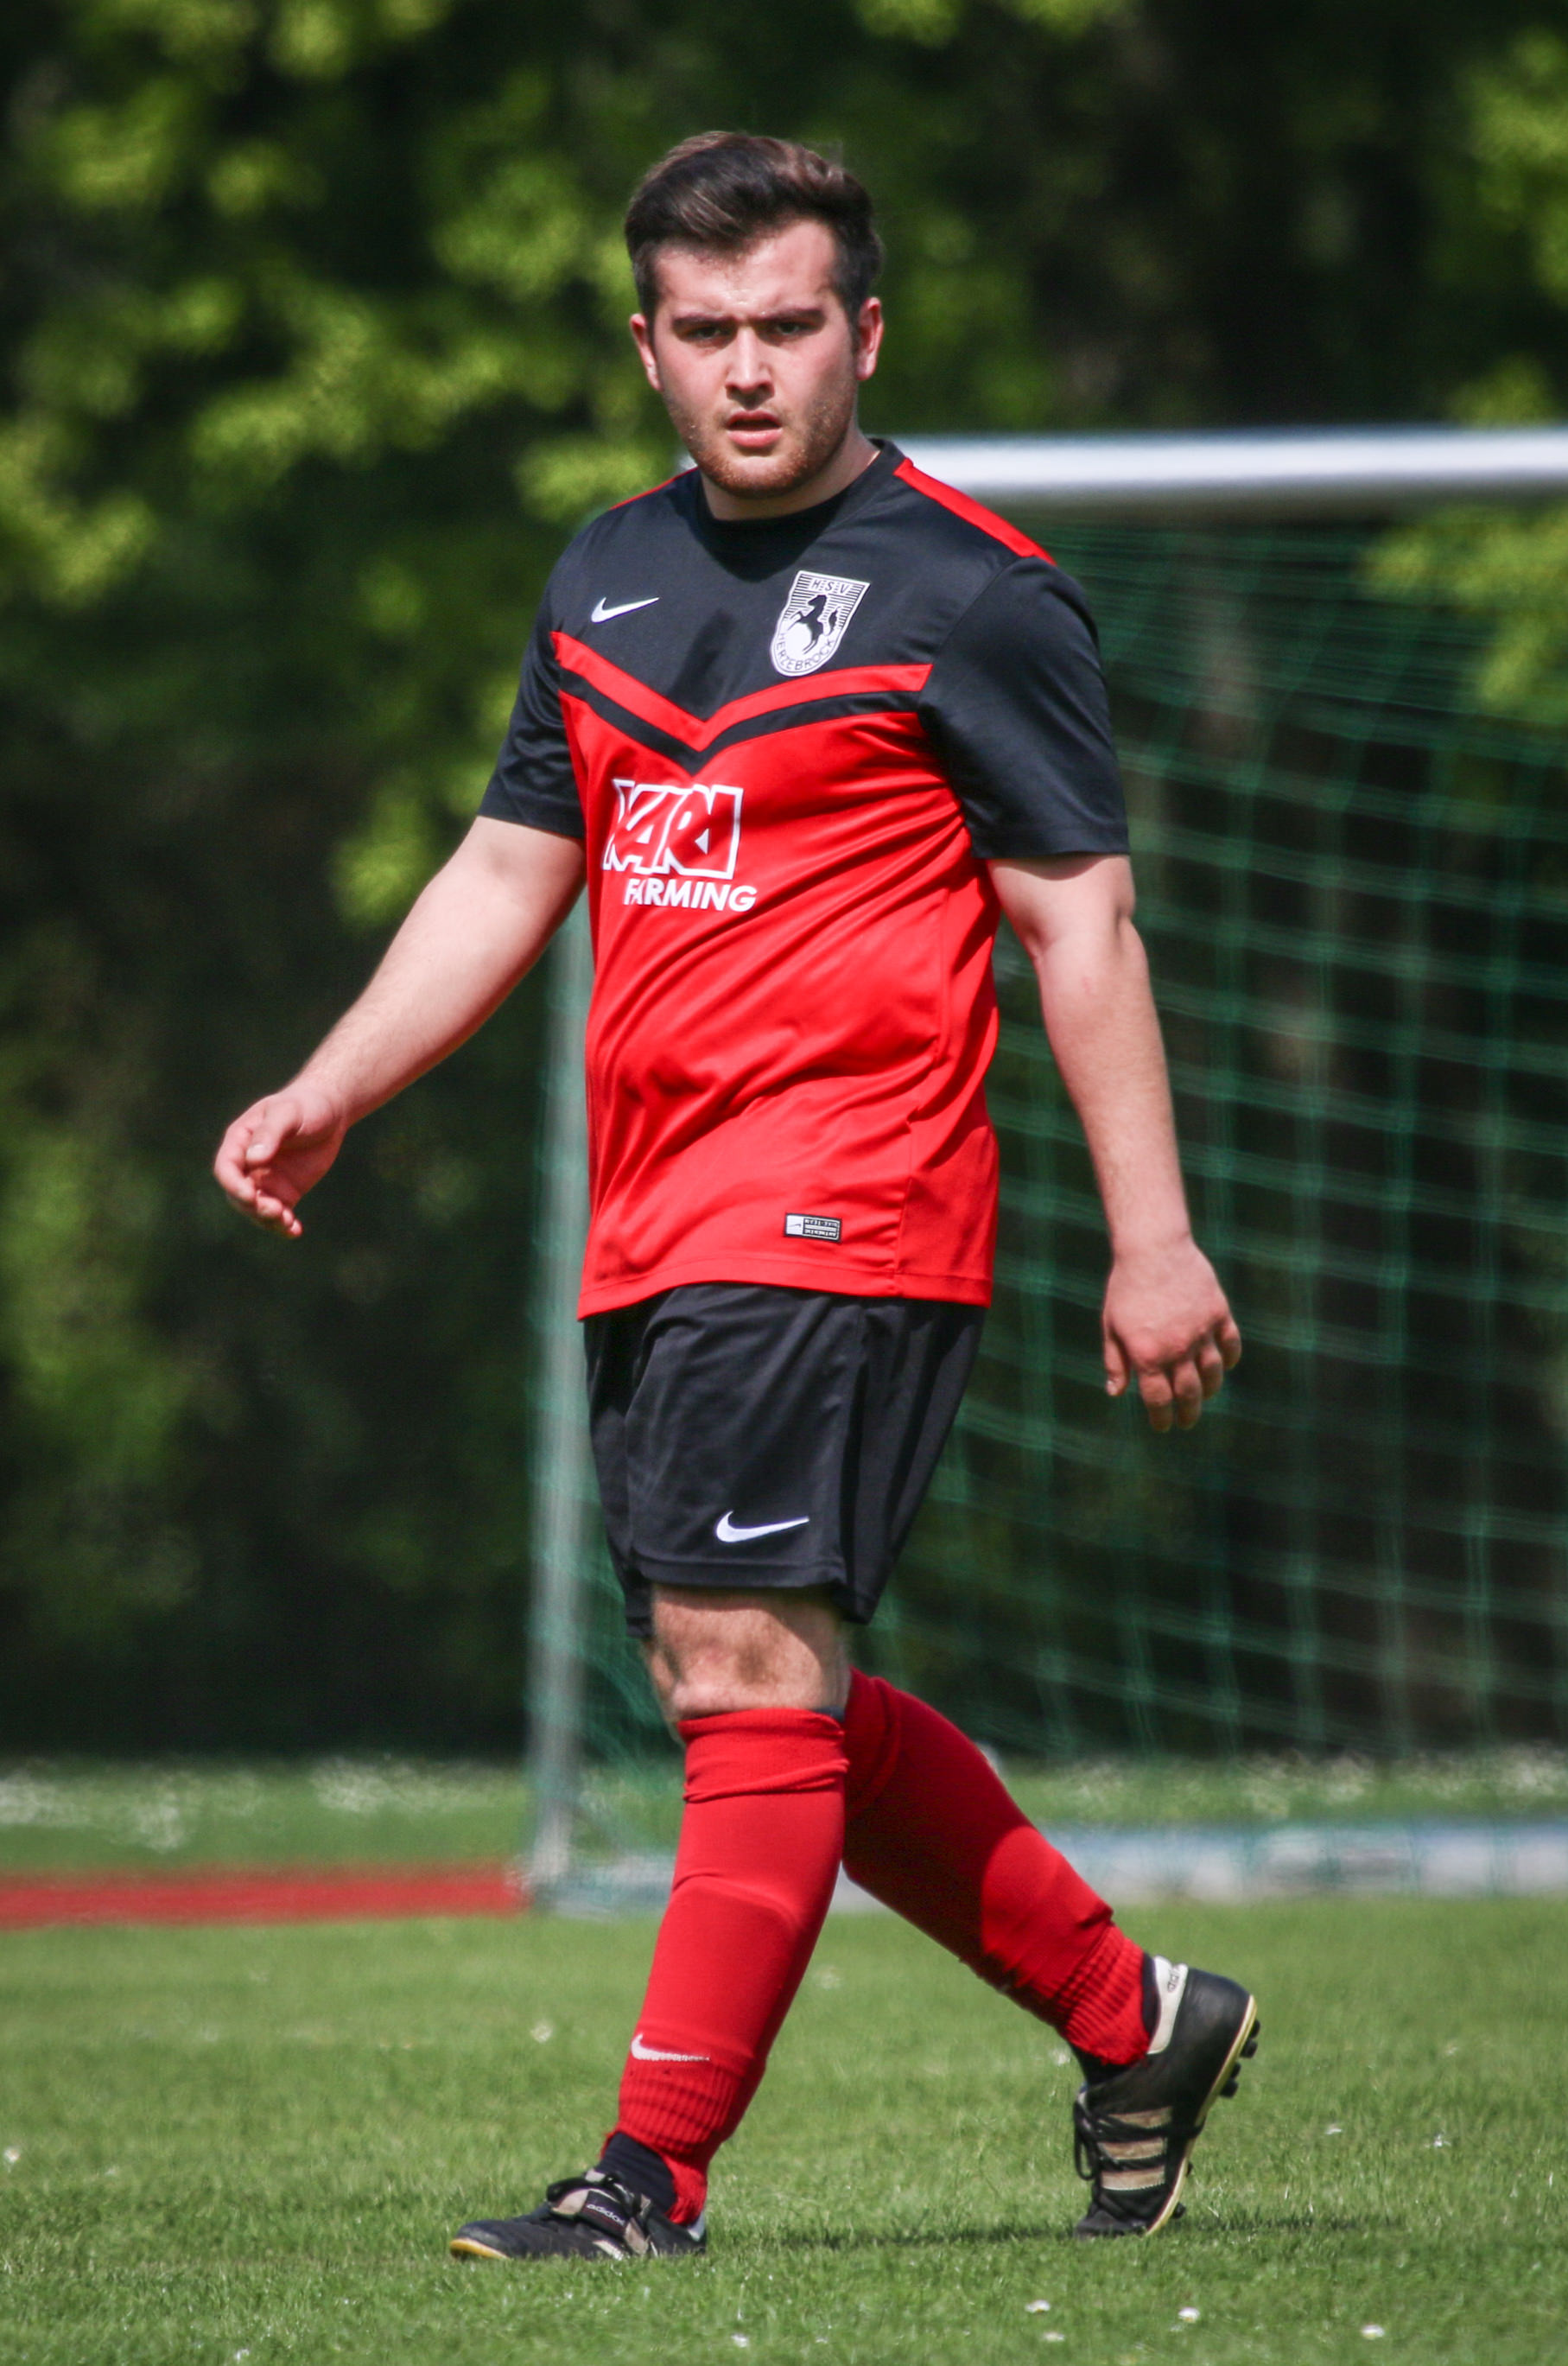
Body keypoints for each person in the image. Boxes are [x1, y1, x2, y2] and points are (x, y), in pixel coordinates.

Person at [214, 130, 1255, 2264]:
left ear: (866, 331)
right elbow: (513, 862)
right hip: (656, 1219)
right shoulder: (602, 573)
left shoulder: (976, 592)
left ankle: (646, 2177)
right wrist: (335, 1080)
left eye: (790, 325)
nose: (751, 370)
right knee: (759, 1690)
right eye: (708, 333)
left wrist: (1152, 1237)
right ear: (647, 349)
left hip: (847, 1200)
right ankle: (1132, 2019)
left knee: (746, 1671)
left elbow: (1081, 923)